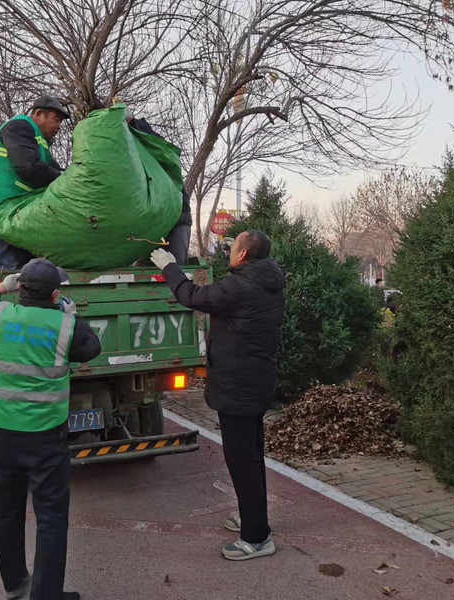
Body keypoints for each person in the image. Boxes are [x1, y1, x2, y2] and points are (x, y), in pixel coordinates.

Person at [0, 258, 101, 600]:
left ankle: (16, 585)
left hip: (1, 433)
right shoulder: (64, 325)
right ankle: (46, 594)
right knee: (50, 517)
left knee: (6, 511)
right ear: (55, 295)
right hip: (46, 436)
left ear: (20, 289)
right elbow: (92, 347)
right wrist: (71, 315)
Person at [150, 230, 285, 561]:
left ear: (242, 257)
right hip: (256, 382)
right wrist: (235, 254)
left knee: (242, 460)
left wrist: (169, 266)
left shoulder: (238, 287)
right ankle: (253, 517)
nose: (230, 250)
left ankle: (256, 537)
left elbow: (193, 296)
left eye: (234, 246)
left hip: (238, 388)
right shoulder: (269, 279)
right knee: (251, 455)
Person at [0, 96, 71, 269]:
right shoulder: (20, 126)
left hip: (17, 210)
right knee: (8, 268)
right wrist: (65, 180)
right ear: (38, 114)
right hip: (2, 209)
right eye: (56, 120)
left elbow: (52, 171)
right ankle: (5, 296)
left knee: (25, 269)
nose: (59, 126)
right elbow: (29, 168)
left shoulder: (38, 142)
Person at [127, 115, 192, 264]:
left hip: (176, 220)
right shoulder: (127, 162)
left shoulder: (157, 152)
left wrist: (133, 122)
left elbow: (154, 139)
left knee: (174, 268)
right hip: (148, 224)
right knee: (144, 271)